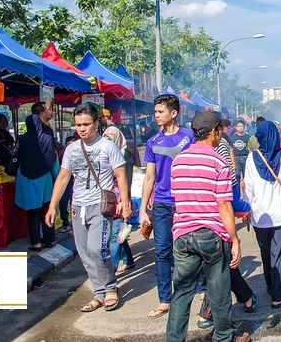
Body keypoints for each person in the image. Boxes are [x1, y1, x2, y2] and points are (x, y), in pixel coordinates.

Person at [166, 111, 250, 342]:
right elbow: (224, 204)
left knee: (182, 291)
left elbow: (177, 198)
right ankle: (224, 336)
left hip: (182, 234)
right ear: (214, 132)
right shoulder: (219, 162)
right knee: (218, 290)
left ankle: (174, 339)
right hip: (211, 235)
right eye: (220, 130)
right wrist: (234, 239)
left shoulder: (178, 161)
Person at [45, 103, 130, 312]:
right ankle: (98, 292)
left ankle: (110, 287)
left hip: (100, 206)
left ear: (96, 123)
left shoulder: (108, 146)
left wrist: (125, 203)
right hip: (78, 206)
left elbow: (121, 175)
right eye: (78, 125)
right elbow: (63, 177)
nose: (82, 129)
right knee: (84, 253)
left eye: (86, 124)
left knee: (97, 249)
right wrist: (53, 205)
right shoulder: (72, 149)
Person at [139, 94, 194, 319]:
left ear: (173, 113)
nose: (156, 116)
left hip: (186, 201)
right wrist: (143, 210)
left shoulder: (189, 137)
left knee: (190, 246)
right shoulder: (153, 142)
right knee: (162, 250)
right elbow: (149, 177)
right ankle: (165, 299)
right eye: (155, 112)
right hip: (162, 203)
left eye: (160, 112)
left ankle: (201, 289)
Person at [244, 120, 281, 309]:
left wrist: (248, 209)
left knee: (266, 252)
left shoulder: (251, 158)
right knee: (279, 253)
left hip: (260, 216)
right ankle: (277, 294)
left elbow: (248, 189)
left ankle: (270, 285)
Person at [16, 102, 58, 251]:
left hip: (26, 177)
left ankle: (36, 242)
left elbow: (19, 158)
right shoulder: (47, 137)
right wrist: (57, 176)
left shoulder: (23, 139)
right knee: (47, 209)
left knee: (32, 211)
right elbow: (53, 159)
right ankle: (49, 239)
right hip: (44, 178)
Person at [101, 109, 135, 275]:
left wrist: (124, 201)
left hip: (116, 198)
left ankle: (110, 274)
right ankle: (128, 260)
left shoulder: (120, 158)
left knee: (114, 236)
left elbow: (123, 180)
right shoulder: (108, 156)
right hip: (109, 197)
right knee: (118, 232)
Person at [58, 135, 78, 233]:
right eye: (68, 145)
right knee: (63, 203)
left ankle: (75, 224)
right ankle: (65, 222)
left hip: (76, 183)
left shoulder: (82, 154)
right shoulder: (63, 154)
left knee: (75, 204)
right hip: (66, 183)